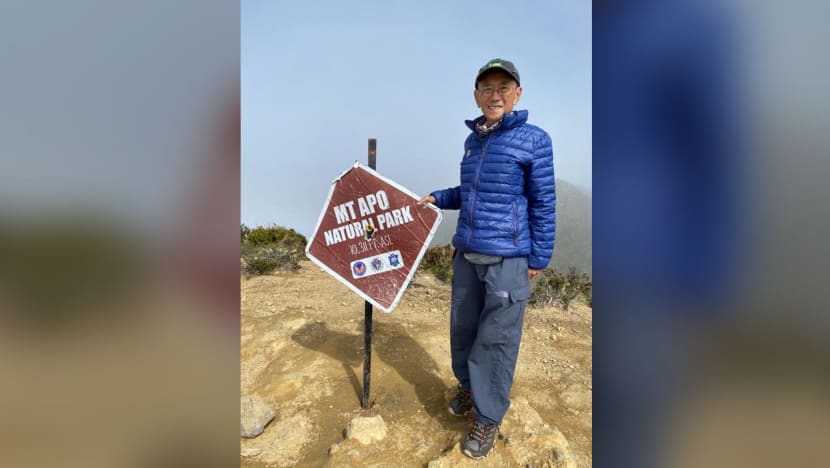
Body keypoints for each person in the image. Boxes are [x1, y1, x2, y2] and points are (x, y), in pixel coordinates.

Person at [418, 58, 556, 459]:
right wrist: (439, 199)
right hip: (467, 252)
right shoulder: (473, 139)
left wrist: (539, 256)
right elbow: (471, 191)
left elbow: (543, 202)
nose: (495, 95)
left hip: (508, 257)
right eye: (487, 88)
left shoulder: (534, 139)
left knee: (496, 341)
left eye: (503, 88)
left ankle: (488, 415)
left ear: (517, 94)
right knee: (462, 329)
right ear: (476, 95)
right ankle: (467, 386)